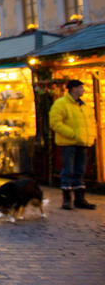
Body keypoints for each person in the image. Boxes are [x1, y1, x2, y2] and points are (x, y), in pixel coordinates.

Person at [49, 79, 97, 210]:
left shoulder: (83, 105)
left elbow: (90, 123)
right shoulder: (61, 104)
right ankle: (67, 200)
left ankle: (80, 199)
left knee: (80, 170)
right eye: (81, 88)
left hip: (82, 142)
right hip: (69, 143)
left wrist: (91, 137)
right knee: (68, 170)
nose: (83, 90)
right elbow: (55, 123)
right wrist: (72, 134)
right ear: (73, 89)